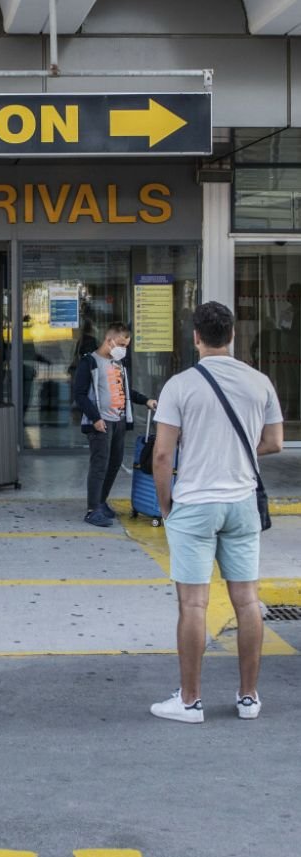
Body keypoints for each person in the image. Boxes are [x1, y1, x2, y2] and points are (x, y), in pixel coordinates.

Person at [150, 301, 284, 724]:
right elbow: (275, 442)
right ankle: (248, 698)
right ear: (232, 335)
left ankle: (190, 701)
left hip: (195, 503)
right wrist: (235, 455)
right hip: (242, 503)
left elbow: (162, 455)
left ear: (196, 337)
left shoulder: (180, 385)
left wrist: (166, 505)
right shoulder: (260, 381)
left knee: (193, 604)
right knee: (247, 601)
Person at [72, 322, 158, 528]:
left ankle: (101, 502)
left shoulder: (118, 364)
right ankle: (92, 510)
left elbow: (127, 391)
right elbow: (79, 394)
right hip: (101, 422)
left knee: (114, 463)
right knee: (99, 465)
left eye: (126, 346)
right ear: (109, 340)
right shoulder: (90, 362)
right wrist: (95, 418)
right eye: (121, 344)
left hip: (118, 420)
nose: (123, 349)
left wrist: (145, 400)